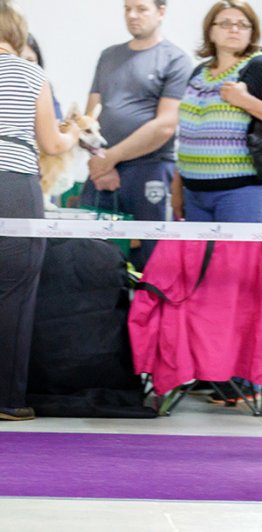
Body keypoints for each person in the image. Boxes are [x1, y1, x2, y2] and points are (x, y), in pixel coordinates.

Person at [162, 0, 262, 404]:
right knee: (202, 287)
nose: (234, 29)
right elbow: (185, 134)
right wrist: (177, 185)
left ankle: (246, 375)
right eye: (225, 23)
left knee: (240, 286)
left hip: (245, 191)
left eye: (242, 24)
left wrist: (245, 101)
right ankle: (209, 369)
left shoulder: (261, 68)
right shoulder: (196, 72)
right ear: (211, 30)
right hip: (195, 191)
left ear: (251, 30)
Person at [0, 0, 80, 421]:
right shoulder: (32, 73)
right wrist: (74, 132)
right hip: (13, 184)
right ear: (17, 34)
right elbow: (52, 145)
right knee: (14, 294)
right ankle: (8, 400)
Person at [79, 0, 192, 270]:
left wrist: (111, 158)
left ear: (161, 11)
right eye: (127, 8)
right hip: (102, 172)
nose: (132, 15)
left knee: (152, 260)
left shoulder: (175, 59)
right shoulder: (108, 56)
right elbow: (88, 118)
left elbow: (165, 125)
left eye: (141, 8)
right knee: (88, 253)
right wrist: (101, 162)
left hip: (150, 169)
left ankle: (147, 313)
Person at [20, 33, 61, 120]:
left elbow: (57, 123)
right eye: (18, 59)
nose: (24, 66)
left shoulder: (45, 90)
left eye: (30, 60)